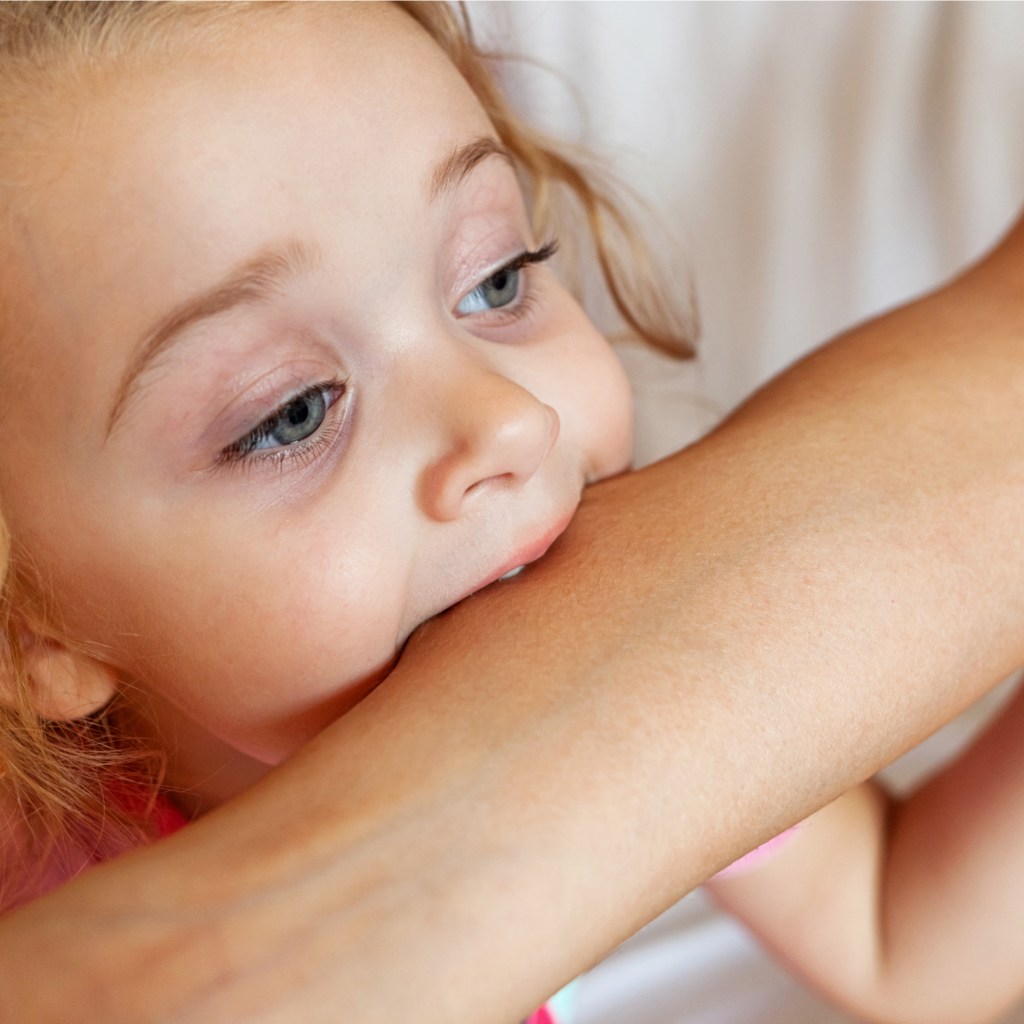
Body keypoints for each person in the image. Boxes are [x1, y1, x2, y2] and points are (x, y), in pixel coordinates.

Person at [2, 3, 1024, 1022]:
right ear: (28, 630)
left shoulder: (602, 652)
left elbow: (902, 940)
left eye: (496, 279)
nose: (507, 421)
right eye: (292, 414)